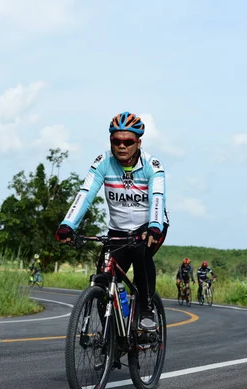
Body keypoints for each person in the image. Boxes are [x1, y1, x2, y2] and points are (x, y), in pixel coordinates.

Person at [55, 111, 170, 331]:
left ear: (138, 142)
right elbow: (86, 193)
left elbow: (158, 198)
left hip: (150, 226)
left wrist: (154, 226)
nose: (122, 146)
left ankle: (146, 310)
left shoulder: (152, 165)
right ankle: (113, 338)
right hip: (117, 231)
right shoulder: (103, 163)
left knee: (141, 253)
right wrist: (67, 224)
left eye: (128, 141)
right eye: (116, 141)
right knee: (103, 280)